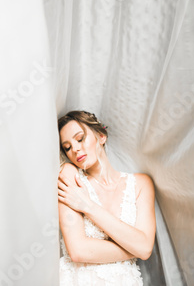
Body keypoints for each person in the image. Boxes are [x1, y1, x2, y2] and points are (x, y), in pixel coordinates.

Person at [57, 110, 156, 285]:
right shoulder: (71, 179)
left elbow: (146, 248)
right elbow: (78, 251)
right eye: (67, 147)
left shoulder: (141, 184)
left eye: (80, 139)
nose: (75, 149)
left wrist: (87, 205)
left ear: (101, 136)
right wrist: (135, 247)